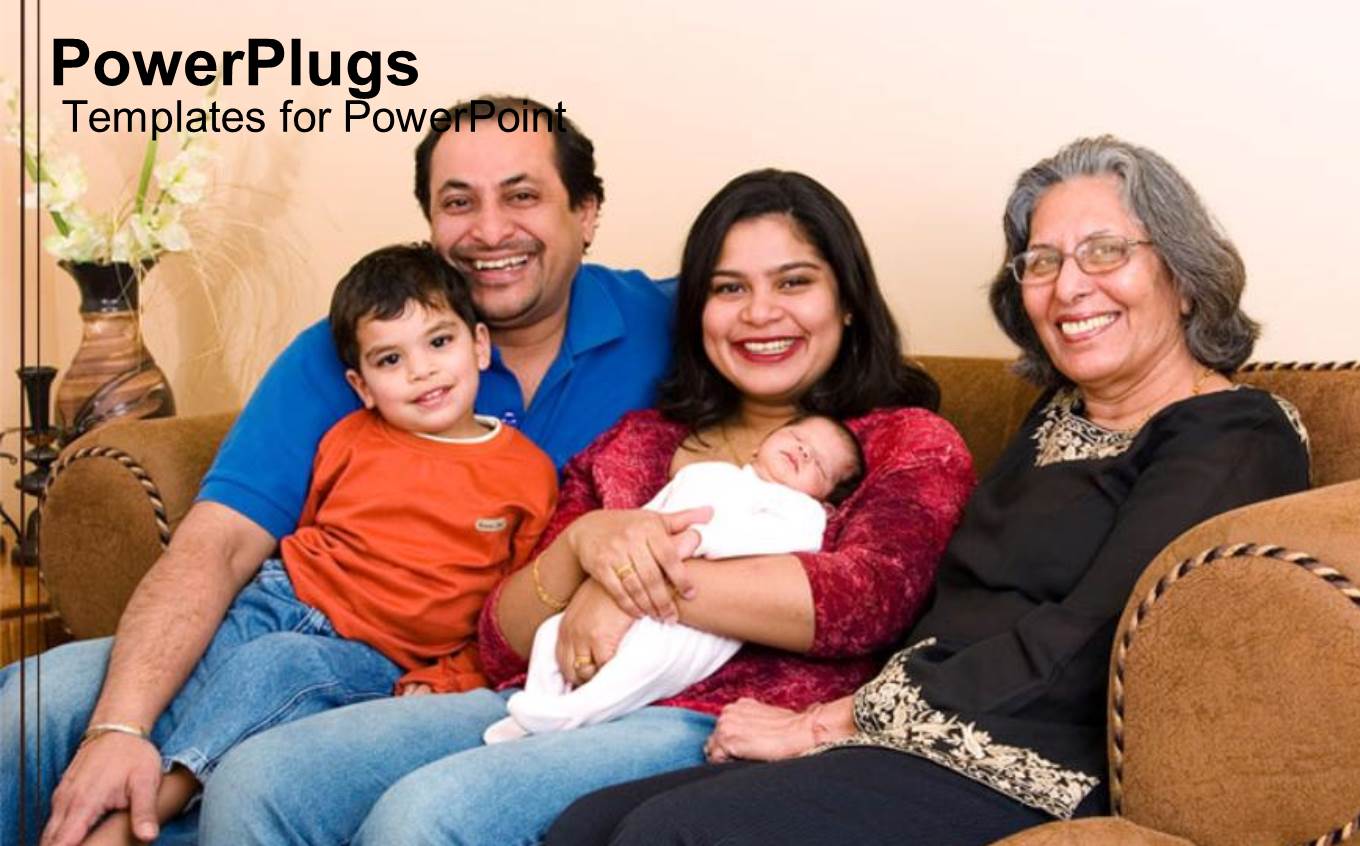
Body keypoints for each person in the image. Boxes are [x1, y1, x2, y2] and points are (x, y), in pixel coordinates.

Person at [546, 136, 1313, 846]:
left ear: (1182, 276)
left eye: (1105, 252)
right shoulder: (1056, 420)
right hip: (907, 736)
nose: (1070, 287)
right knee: (585, 826)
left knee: (673, 835)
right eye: (1041, 262)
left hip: (1027, 760)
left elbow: (1091, 634)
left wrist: (827, 723)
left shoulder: (1232, 432)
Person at [192, 168, 976, 846]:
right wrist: (583, 547)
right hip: (540, 692)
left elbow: (868, 601)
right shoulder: (639, 441)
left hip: (709, 718)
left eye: (794, 282)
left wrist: (618, 586)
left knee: (426, 818)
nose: (759, 312)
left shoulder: (903, 441)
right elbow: (502, 641)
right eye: (728, 288)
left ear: (847, 302)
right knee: (264, 776)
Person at [2, 93, 674, 846]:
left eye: (522, 196)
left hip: (442, 669)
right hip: (288, 617)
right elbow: (218, 544)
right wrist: (118, 727)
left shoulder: (675, 327)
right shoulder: (356, 345)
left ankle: (150, 810)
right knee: (36, 698)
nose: (489, 231)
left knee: (272, 723)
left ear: (586, 212)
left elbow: (793, 327)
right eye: (459, 202)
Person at [76, 243, 558, 845]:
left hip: (378, 654)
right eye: (390, 358)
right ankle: (128, 789)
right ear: (361, 384)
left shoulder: (528, 474)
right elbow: (304, 531)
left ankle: (145, 809)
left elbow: (508, 609)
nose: (422, 370)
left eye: (440, 342)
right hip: (280, 599)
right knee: (200, 681)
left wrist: (452, 675)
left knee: (277, 669)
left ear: (480, 346)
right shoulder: (349, 438)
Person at [486, 414, 865, 742]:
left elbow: (780, 541)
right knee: (552, 632)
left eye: (817, 462)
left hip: (699, 619)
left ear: (826, 501)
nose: (801, 451)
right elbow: (649, 515)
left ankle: (572, 715)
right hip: (629, 579)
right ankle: (539, 702)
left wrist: (702, 540)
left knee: (648, 663)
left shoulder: (800, 510)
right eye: (796, 438)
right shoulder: (705, 473)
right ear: (758, 446)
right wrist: (614, 560)